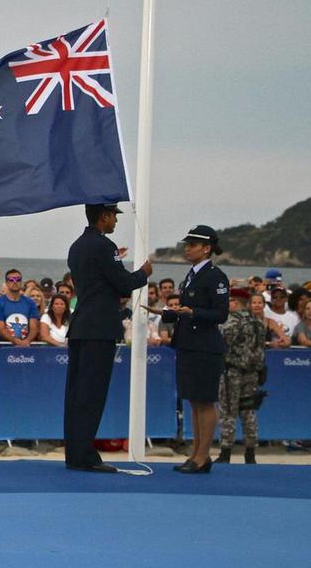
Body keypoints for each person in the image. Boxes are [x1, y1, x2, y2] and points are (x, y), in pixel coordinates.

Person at [64, 203, 151, 473]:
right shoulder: (104, 246)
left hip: (81, 325)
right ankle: (85, 455)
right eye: (113, 215)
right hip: (99, 328)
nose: (115, 220)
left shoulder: (77, 245)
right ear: (104, 216)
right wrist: (143, 274)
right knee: (92, 393)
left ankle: (75, 451)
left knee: (76, 393)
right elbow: (123, 283)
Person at [145, 225, 229, 474]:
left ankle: (203, 456)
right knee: (194, 401)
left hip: (205, 346)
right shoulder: (191, 275)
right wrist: (165, 313)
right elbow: (186, 310)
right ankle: (195, 453)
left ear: (206, 248)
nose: (187, 249)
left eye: (192, 245)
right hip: (189, 345)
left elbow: (221, 314)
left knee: (205, 401)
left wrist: (193, 312)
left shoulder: (215, 276)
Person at [215, 289, 266, 465]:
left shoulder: (232, 323)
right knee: (248, 411)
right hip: (252, 372)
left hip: (232, 371)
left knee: (228, 411)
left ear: (236, 302)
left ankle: (226, 451)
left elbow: (221, 343)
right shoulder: (259, 323)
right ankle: (250, 452)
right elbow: (261, 348)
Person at [0, 269, 40, 346]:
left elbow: (34, 327)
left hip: (26, 347)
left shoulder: (30, 303)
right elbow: (0, 329)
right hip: (4, 348)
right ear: (6, 283)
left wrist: (27, 341)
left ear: (21, 282)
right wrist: (16, 341)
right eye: (11, 280)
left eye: (18, 279)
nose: (15, 282)